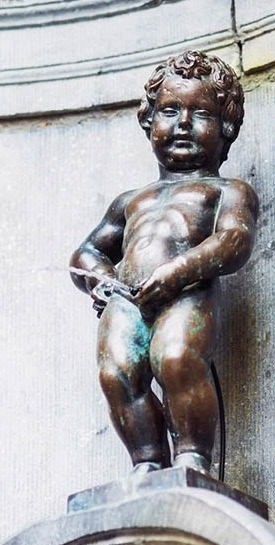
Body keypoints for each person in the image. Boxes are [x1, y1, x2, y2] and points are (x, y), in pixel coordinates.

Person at [70, 51, 259, 475]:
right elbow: (87, 252)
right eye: (170, 110)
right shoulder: (131, 201)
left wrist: (177, 273)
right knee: (117, 372)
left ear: (226, 126)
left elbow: (234, 240)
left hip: (187, 292)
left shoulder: (228, 190)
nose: (183, 124)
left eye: (201, 113)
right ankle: (147, 463)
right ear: (148, 120)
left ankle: (193, 458)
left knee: (176, 358)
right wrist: (101, 280)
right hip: (127, 298)